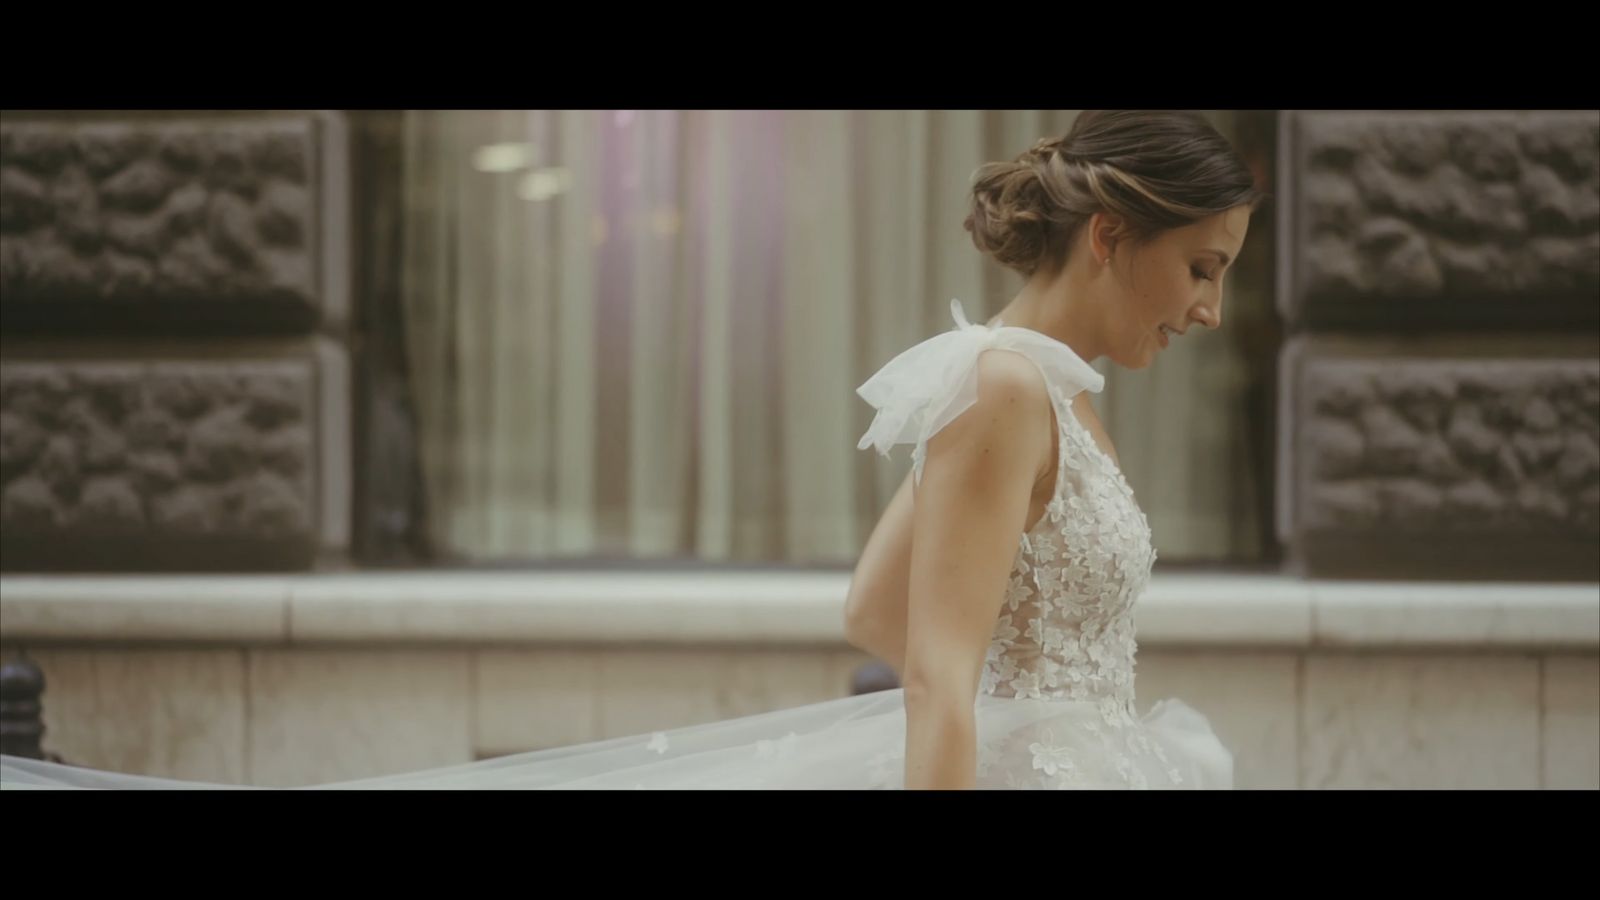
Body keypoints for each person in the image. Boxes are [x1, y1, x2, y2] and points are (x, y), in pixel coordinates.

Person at [1, 110, 1264, 790]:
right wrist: (1020, 734)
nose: (1209, 309)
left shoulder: (1040, 389)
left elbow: (877, 610)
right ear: (1108, 234)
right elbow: (928, 670)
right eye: (1200, 269)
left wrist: (1041, 721)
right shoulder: (1004, 389)